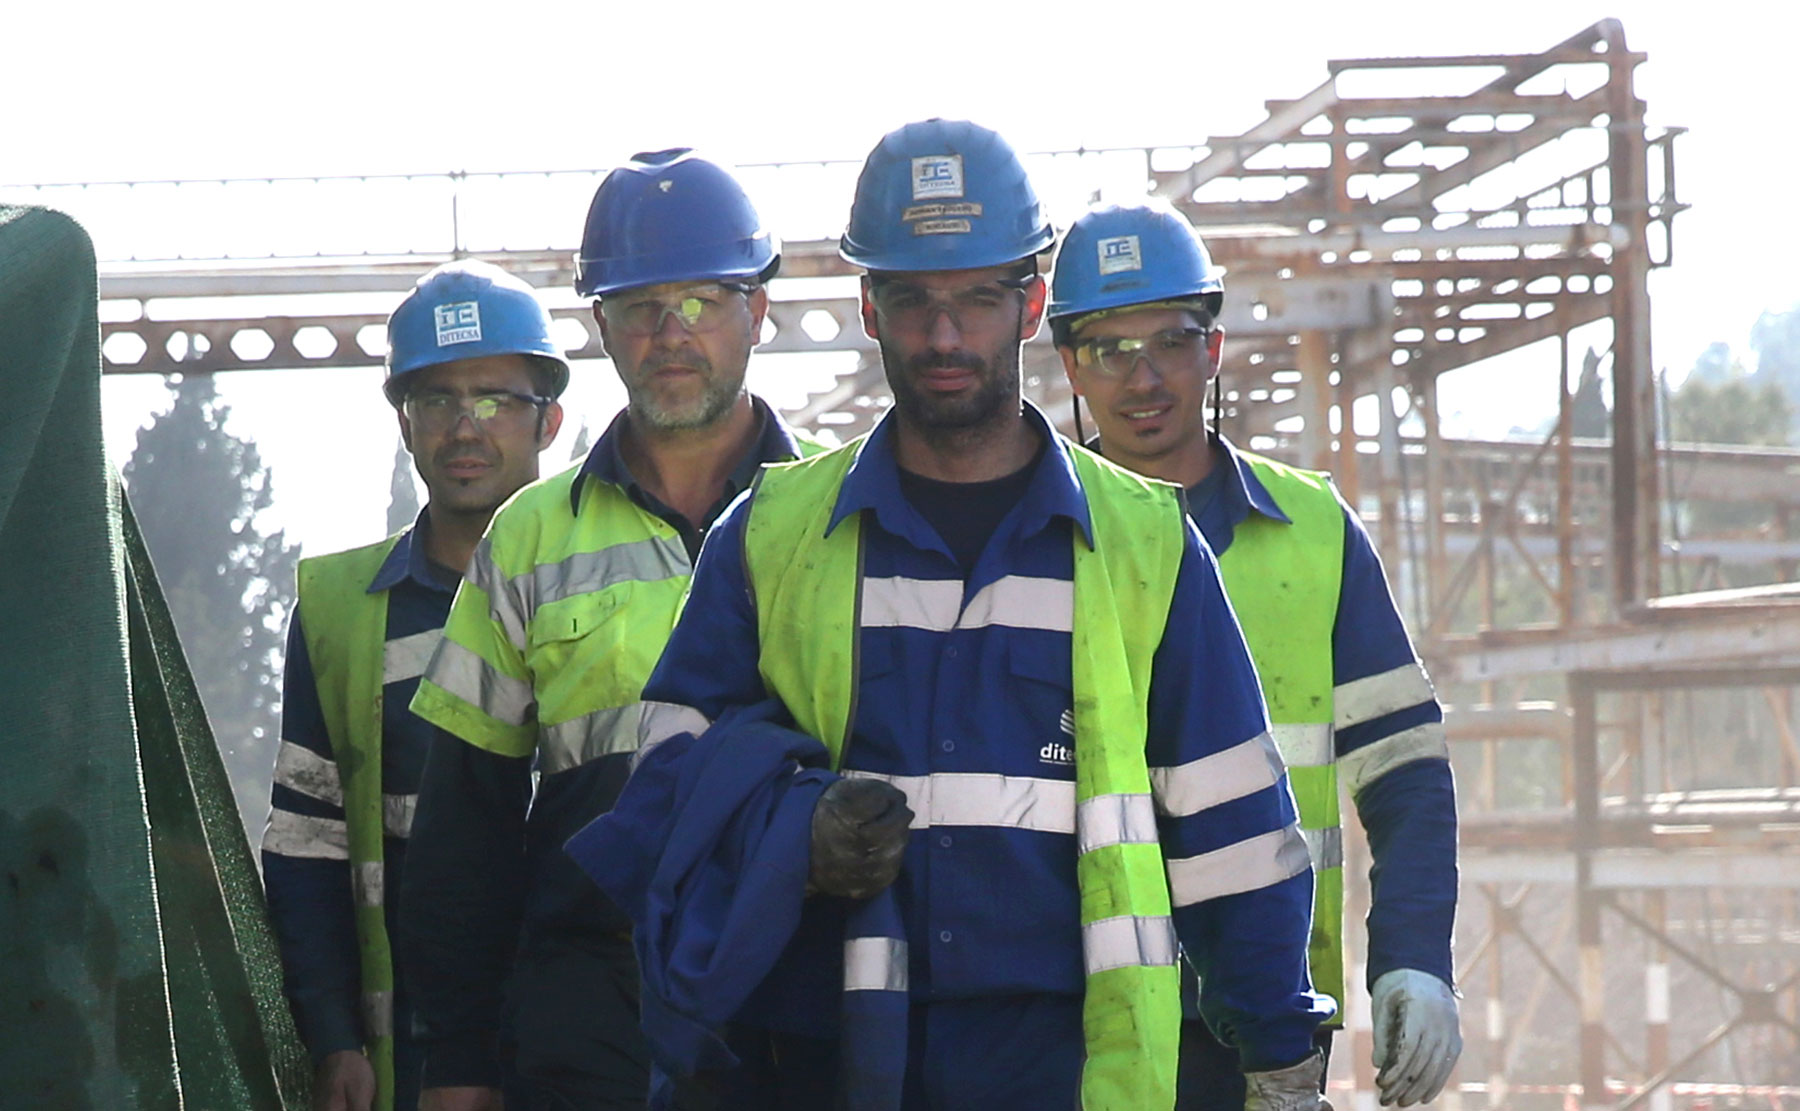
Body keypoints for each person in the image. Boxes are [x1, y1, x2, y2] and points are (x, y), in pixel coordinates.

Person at [626, 119, 1334, 1110]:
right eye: (914, 301)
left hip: (1073, 1065)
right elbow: (666, 786)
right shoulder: (771, 538)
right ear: (870, 307)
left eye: (975, 300)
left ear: (1032, 301)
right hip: (828, 1065)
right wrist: (796, 835)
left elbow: (1235, 830)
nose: (945, 337)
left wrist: (1278, 1053)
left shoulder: (1148, 545)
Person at [401, 149, 817, 1111]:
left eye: (704, 302)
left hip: (790, 988)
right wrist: (459, 1062)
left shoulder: (834, 515)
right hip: (590, 1006)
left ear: (757, 312)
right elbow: (465, 824)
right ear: (603, 328)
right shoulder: (532, 538)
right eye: (640, 307)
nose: (672, 334)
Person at [1047, 198, 1462, 1109]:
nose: (1143, 374)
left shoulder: (1313, 533)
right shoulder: (1033, 542)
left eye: (1170, 338)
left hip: (1267, 1020)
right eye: (1110, 348)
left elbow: (1405, 772)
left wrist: (1413, 958)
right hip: (1071, 1017)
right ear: (1070, 363)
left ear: (1215, 348)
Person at [262, 259, 568, 1111]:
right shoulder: (338, 614)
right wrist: (333, 1035)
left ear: (550, 419)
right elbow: (307, 844)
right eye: (437, 400)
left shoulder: (614, 588)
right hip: (416, 1057)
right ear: (404, 423)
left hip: (589, 1033)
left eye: (495, 398)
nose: (465, 427)